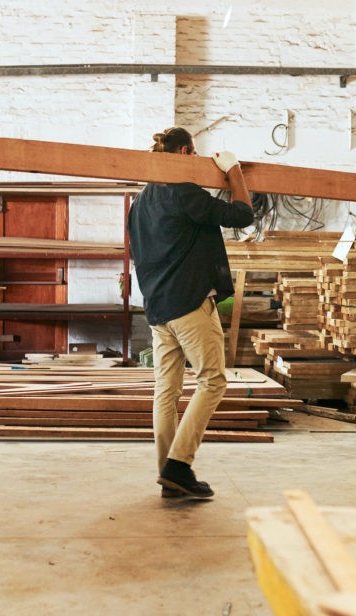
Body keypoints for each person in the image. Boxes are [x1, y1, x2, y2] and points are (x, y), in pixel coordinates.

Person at [128, 126, 254, 499]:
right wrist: (234, 172)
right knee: (213, 381)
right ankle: (179, 466)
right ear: (184, 153)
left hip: (157, 309)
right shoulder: (183, 191)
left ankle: (168, 473)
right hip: (188, 305)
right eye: (196, 153)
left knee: (165, 391)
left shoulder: (140, 201)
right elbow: (242, 214)